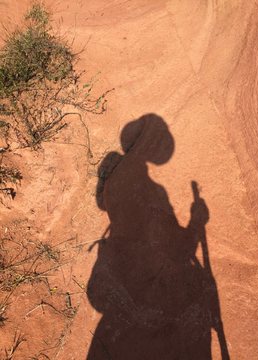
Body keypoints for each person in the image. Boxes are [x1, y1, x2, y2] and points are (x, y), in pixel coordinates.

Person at [87, 114, 230, 359]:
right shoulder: (155, 193)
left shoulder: (128, 192)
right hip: (153, 299)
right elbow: (181, 247)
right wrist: (197, 222)